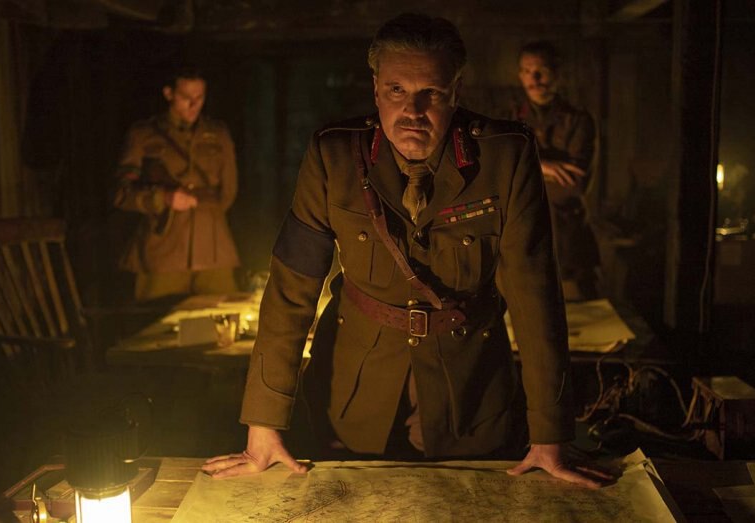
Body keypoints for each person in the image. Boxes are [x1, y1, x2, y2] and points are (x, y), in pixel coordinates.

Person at [203, 14, 608, 489]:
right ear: (376, 88)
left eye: (430, 94)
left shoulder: (505, 156)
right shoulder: (333, 157)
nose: (412, 110)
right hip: (356, 396)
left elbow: (535, 297)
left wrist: (550, 434)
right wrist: (264, 426)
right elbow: (291, 289)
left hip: (472, 396)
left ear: (455, 92)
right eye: (396, 90)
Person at [114, 66, 240, 302]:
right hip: (163, 250)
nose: (193, 105)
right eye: (185, 98)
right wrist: (164, 198)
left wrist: (205, 217)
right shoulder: (143, 135)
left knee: (221, 322)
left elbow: (228, 191)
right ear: (169, 93)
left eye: (199, 97)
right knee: (157, 328)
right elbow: (122, 193)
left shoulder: (218, 134)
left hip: (212, 249)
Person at [514, 41, 601, 301]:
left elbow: (573, 183)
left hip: (568, 243)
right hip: (521, 240)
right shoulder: (508, 118)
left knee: (584, 323)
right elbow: (498, 174)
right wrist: (544, 165)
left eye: (541, 70)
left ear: (557, 73)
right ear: (520, 75)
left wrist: (522, 168)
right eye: (528, 71)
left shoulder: (578, 120)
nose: (535, 78)